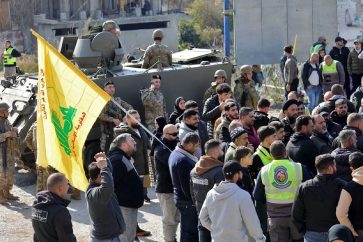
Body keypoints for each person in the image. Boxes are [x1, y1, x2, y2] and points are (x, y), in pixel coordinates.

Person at [253, 141, 312, 242]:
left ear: (271, 155)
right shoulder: (299, 168)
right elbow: (310, 188)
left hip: (275, 218)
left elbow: (257, 196)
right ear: (286, 152)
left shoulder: (264, 171)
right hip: (297, 216)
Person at [199, 161, 266, 242]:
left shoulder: (210, 194)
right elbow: (252, 223)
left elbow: (203, 218)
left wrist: (216, 230)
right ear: (236, 175)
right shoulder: (243, 195)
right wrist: (260, 239)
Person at [292, 154, 347, 242]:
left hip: (312, 233)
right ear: (330, 168)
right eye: (335, 165)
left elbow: (296, 214)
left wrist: (304, 231)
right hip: (336, 234)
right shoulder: (343, 186)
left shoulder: (304, 187)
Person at [108, 134, 144, 242]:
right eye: (132, 140)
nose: (135, 142)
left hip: (128, 206)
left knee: (129, 236)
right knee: (125, 238)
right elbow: (111, 184)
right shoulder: (117, 160)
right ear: (124, 145)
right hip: (124, 207)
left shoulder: (124, 157)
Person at [190, 139, 224, 242]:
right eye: (221, 150)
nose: (223, 152)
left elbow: (192, 191)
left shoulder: (194, 170)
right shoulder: (219, 172)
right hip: (216, 213)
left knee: (203, 232)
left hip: (200, 208)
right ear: (215, 152)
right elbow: (221, 195)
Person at [86, 152, 125, 242]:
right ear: (100, 176)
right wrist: (104, 168)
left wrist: (105, 160)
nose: (110, 175)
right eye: (105, 173)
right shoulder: (93, 192)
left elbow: (108, 175)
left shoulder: (98, 182)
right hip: (104, 239)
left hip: (111, 236)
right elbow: (108, 186)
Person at [169, 132, 200, 242]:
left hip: (183, 200)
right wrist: (194, 201)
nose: (196, 149)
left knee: (188, 230)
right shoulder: (182, 160)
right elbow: (186, 186)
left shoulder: (176, 153)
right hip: (187, 201)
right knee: (189, 232)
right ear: (190, 144)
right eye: (196, 146)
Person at [113, 110, 151, 202]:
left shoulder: (141, 129)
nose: (138, 120)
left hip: (144, 160)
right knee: (135, 180)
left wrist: (149, 148)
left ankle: (145, 194)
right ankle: (137, 196)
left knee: (145, 177)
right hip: (133, 162)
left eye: (139, 118)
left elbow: (147, 141)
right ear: (128, 119)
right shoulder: (124, 133)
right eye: (136, 118)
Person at [32, 173, 76, 242]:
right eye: (67, 184)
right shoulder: (60, 212)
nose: (68, 187)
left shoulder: (37, 204)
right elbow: (67, 239)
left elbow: (36, 235)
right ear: (60, 188)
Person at [154, 124, 180, 242]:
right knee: (170, 219)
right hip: (166, 189)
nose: (177, 136)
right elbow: (174, 163)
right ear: (165, 134)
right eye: (174, 134)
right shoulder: (160, 149)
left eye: (177, 133)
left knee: (177, 217)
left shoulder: (176, 144)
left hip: (176, 187)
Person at [99, 81, 133, 152]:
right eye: (110, 87)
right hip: (107, 132)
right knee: (106, 151)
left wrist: (127, 116)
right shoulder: (102, 100)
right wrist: (113, 119)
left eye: (113, 87)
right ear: (105, 89)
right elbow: (100, 115)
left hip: (118, 131)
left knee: (120, 149)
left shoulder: (117, 100)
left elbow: (129, 107)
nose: (112, 89)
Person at [336, 152, 363, 241]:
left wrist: (351, 231)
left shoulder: (349, 187)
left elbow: (340, 214)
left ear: (351, 168)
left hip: (360, 231)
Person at [0, 102, 20, 203]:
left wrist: (13, 130)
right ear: (1, 112)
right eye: (7, 111)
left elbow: (10, 129)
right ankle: (0, 195)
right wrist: (5, 135)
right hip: (1, 154)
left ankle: (7, 192)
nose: (9, 112)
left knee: (10, 174)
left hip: (9, 152)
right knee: (2, 175)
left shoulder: (6, 121)